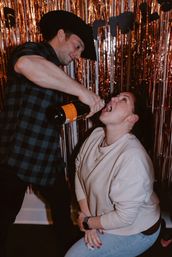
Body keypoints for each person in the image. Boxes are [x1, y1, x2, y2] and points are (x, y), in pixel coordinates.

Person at [0, 10, 105, 257]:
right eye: (77, 46)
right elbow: (26, 65)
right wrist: (82, 91)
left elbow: (54, 112)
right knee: (4, 215)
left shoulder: (57, 71)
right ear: (60, 34)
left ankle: (72, 252)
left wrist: (83, 109)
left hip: (46, 156)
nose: (78, 56)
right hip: (16, 155)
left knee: (61, 206)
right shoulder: (30, 51)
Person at [65, 91, 161, 257]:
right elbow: (79, 170)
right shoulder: (96, 135)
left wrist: (88, 222)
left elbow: (124, 217)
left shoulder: (133, 158)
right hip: (103, 219)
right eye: (116, 96)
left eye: (124, 99)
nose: (113, 99)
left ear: (132, 118)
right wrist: (88, 217)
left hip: (135, 230)